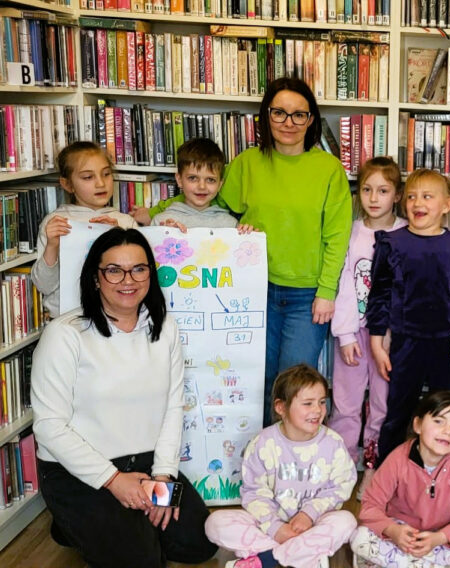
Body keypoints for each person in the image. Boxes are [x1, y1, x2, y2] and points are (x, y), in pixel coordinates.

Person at [139, 78, 353, 426]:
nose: (288, 122)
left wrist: (327, 292)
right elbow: (207, 201)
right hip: (252, 291)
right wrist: (158, 212)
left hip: (306, 296)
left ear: (311, 119)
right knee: (258, 382)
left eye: (299, 115)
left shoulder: (328, 170)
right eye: (279, 113)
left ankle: (291, 465)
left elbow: (337, 234)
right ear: (266, 115)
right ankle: (261, 464)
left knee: (296, 387)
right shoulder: (247, 163)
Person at [31, 228, 215, 568]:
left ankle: (113, 522)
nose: (127, 280)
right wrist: (113, 481)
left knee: (198, 543)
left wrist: (163, 479)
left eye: (139, 269)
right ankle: (74, 521)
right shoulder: (65, 335)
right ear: (96, 277)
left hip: (145, 466)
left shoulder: (165, 328)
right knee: (143, 562)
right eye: (114, 270)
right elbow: (48, 427)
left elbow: (173, 408)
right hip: (81, 470)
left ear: (150, 274)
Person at [205, 364, 357, 568]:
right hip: (269, 525)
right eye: (307, 403)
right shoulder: (262, 443)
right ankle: (303, 556)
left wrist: (308, 514)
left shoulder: (333, 443)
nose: (318, 410)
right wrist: (275, 527)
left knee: (347, 521)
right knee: (215, 523)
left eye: (322, 402)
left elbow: (340, 487)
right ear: (281, 407)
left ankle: (267, 559)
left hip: (313, 524)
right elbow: (254, 493)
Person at [366, 169, 450, 465]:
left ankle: (443, 476)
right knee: (398, 412)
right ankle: (386, 474)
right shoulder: (392, 243)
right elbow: (379, 295)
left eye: (426, 196)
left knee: (445, 413)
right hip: (405, 342)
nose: (417, 202)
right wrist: (376, 342)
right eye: (411, 196)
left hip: (447, 344)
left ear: (446, 205)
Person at [327, 157, 407, 498]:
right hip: (353, 333)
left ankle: (374, 470)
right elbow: (343, 283)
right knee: (344, 404)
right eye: (367, 190)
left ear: (397, 195)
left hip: (389, 338)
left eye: (383, 191)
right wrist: (345, 334)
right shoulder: (350, 231)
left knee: (383, 404)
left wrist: (394, 333)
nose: (374, 198)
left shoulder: (406, 234)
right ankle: (344, 469)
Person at [351, 391, 450, 568]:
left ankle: (406, 563)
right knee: (359, 538)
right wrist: (393, 531)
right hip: (402, 534)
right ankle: (425, 564)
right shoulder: (397, 459)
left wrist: (440, 537)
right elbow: (370, 506)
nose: (447, 431)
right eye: (439, 421)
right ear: (418, 425)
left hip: (442, 536)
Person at [31, 141, 137, 318]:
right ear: (67, 184)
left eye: (106, 174)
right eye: (88, 177)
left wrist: (118, 238)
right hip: (67, 321)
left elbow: (140, 275)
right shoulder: (56, 223)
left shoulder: (125, 222)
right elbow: (44, 286)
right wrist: (52, 246)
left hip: (116, 320)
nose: (100, 183)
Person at [150, 138, 253, 232]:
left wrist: (249, 238)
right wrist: (164, 235)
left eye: (210, 180)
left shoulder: (231, 225)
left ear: (220, 184)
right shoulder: (161, 222)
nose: (202, 186)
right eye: (193, 178)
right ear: (179, 180)